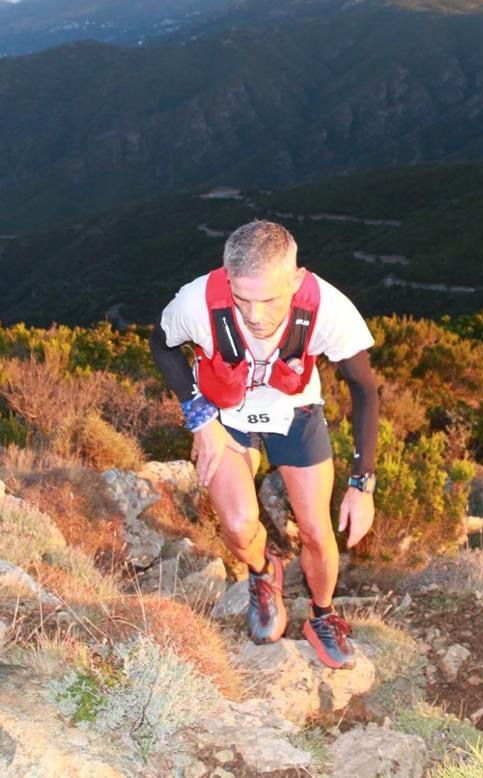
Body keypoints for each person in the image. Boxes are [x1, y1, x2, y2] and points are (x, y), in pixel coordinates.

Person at [149, 220, 379, 669]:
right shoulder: (197, 301)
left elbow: (365, 389)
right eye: (242, 298)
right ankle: (261, 572)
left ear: (295, 279)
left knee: (316, 530)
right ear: (227, 277)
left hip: (295, 411)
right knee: (238, 525)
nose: (255, 315)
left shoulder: (328, 308)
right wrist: (200, 419)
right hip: (225, 415)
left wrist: (362, 484)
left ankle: (322, 614)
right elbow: (161, 345)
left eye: (270, 299)